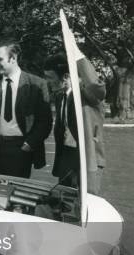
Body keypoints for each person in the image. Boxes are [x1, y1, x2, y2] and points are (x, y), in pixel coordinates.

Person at [0, 41, 51, 178]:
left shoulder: (36, 85)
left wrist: (29, 144)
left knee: (15, 193)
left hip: (20, 150)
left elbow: (45, 121)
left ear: (13, 58)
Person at [44, 49, 106, 194]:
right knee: (65, 203)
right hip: (67, 158)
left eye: (49, 77)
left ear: (65, 76)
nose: (47, 81)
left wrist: (78, 57)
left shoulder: (86, 96)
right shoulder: (60, 97)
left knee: (86, 206)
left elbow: (96, 86)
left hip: (87, 159)